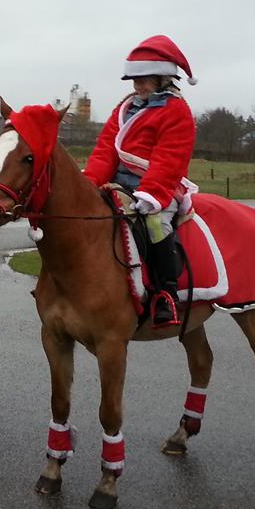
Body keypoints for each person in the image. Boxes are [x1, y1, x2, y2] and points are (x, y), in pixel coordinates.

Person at [83, 35, 197, 326]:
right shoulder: (124, 108)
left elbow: (169, 160)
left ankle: (166, 294)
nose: (138, 86)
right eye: (135, 81)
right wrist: (89, 183)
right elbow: (105, 151)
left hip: (158, 187)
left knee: (156, 223)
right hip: (118, 186)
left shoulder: (176, 111)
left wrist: (150, 195)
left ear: (163, 78)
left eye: (144, 80)